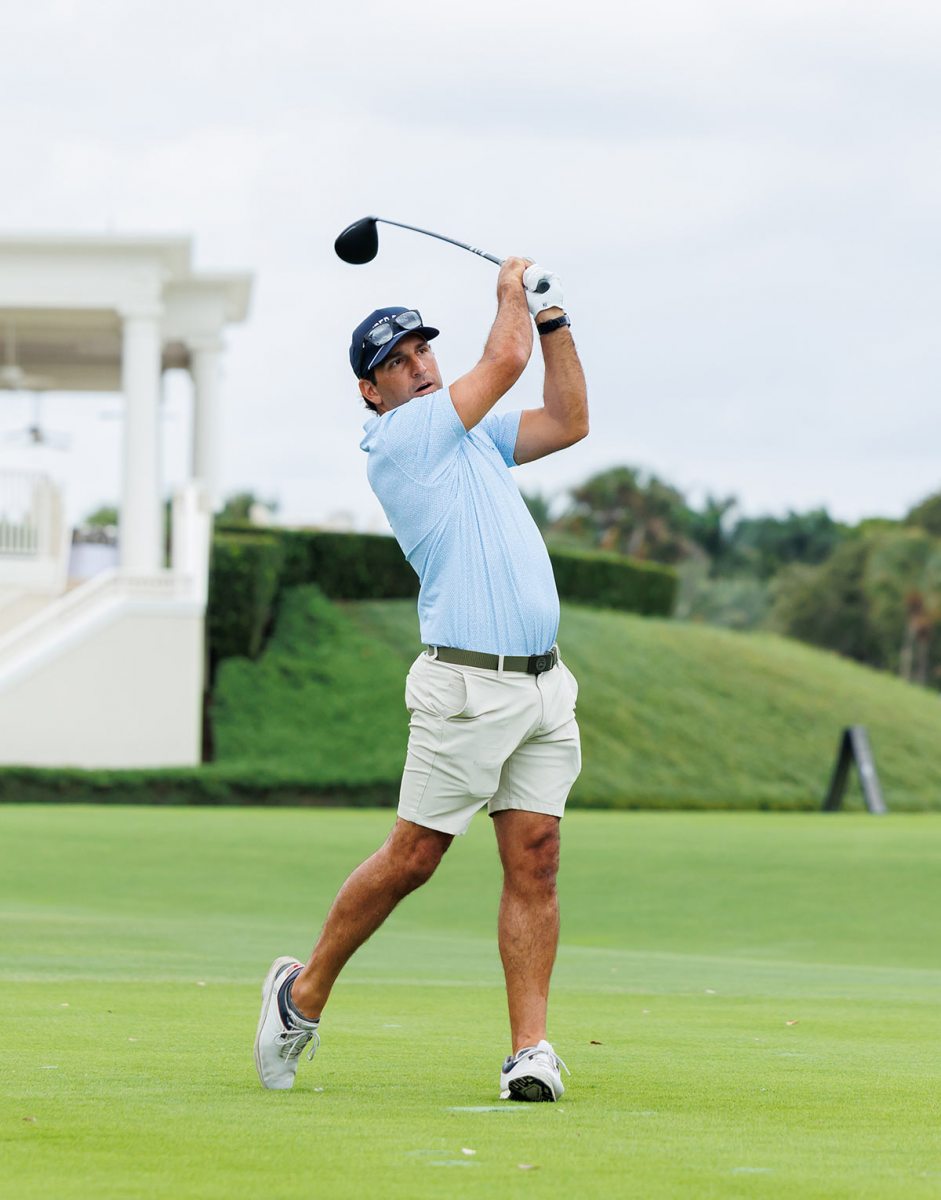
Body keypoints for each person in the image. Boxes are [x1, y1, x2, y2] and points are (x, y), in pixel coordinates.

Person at [254, 256, 588, 1102]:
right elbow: (503, 359)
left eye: (421, 351)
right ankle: (300, 996)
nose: (417, 367)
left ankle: (529, 1051)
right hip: (465, 687)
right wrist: (512, 292)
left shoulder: (470, 435)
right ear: (371, 392)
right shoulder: (404, 440)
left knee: (537, 860)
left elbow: (567, 420)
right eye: (396, 363)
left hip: (542, 687)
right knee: (413, 858)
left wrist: (552, 320)